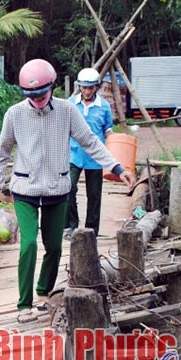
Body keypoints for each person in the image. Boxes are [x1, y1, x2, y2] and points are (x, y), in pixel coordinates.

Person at [0, 59, 135, 324]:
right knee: (28, 244)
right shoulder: (15, 114)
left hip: (57, 189)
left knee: (54, 247)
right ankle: (23, 304)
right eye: (32, 95)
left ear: (52, 87)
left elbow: (90, 141)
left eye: (42, 94)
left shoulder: (66, 110)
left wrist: (117, 168)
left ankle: (43, 292)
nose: (38, 99)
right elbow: (2, 153)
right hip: (25, 189)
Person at [64, 68, 115, 239]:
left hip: (95, 157)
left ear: (96, 88)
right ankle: (71, 226)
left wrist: (115, 147)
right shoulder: (70, 104)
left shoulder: (104, 107)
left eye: (91, 88)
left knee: (94, 194)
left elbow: (108, 130)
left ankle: (92, 229)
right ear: (79, 86)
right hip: (74, 154)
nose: (87, 91)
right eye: (84, 87)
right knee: (68, 188)